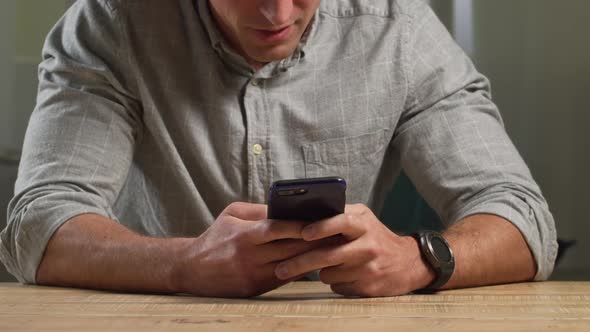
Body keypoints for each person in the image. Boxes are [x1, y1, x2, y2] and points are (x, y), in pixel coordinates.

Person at [0, 0, 556, 298]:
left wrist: (418, 259)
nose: (277, 13)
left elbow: (522, 218)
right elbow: (40, 225)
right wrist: (184, 266)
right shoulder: (111, 23)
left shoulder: (399, 30)